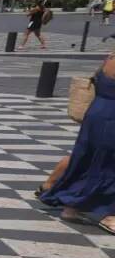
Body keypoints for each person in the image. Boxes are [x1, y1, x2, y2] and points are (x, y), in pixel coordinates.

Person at [38, 52, 115, 234]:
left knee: (88, 158)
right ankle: (109, 216)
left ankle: (71, 207)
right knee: (107, 164)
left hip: (99, 113)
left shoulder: (109, 58)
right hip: (110, 117)